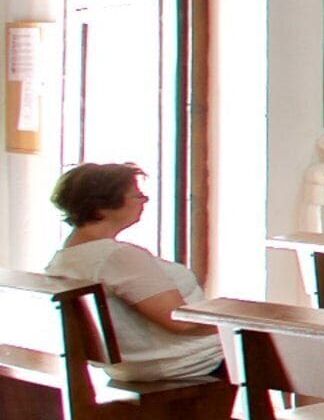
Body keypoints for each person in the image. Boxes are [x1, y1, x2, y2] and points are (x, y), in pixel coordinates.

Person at [42, 164, 226, 387]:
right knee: (260, 346)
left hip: (133, 366)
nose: (144, 200)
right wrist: (234, 324)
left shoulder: (65, 258)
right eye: (137, 195)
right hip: (186, 363)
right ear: (103, 205)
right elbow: (179, 322)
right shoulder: (115, 257)